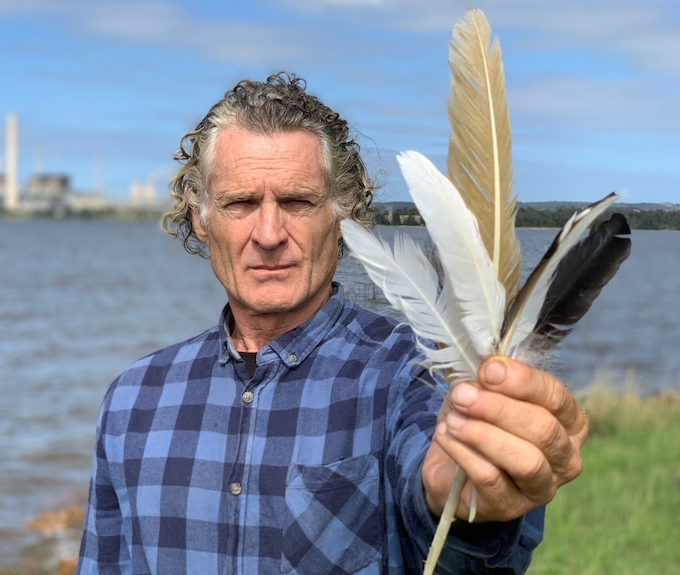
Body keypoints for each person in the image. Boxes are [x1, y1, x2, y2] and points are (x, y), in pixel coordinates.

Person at [76, 73, 588, 574]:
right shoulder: (132, 400)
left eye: (298, 201)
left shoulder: (414, 375)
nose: (270, 233)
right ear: (200, 218)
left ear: (343, 214)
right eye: (241, 203)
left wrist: (460, 495)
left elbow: (451, 523)